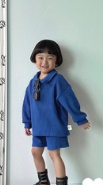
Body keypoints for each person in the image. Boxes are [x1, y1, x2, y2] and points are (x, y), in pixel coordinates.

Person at [22, 39, 90, 185]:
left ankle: (61, 183)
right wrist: (27, 122)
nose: (44, 62)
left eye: (50, 58)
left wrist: (80, 119)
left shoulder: (58, 81)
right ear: (35, 59)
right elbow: (27, 104)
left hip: (54, 126)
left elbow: (70, 100)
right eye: (40, 57)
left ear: (56, 61)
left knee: (54, 154)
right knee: (35, 152)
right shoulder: (33, 82)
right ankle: (43, 181)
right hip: (38, 127)